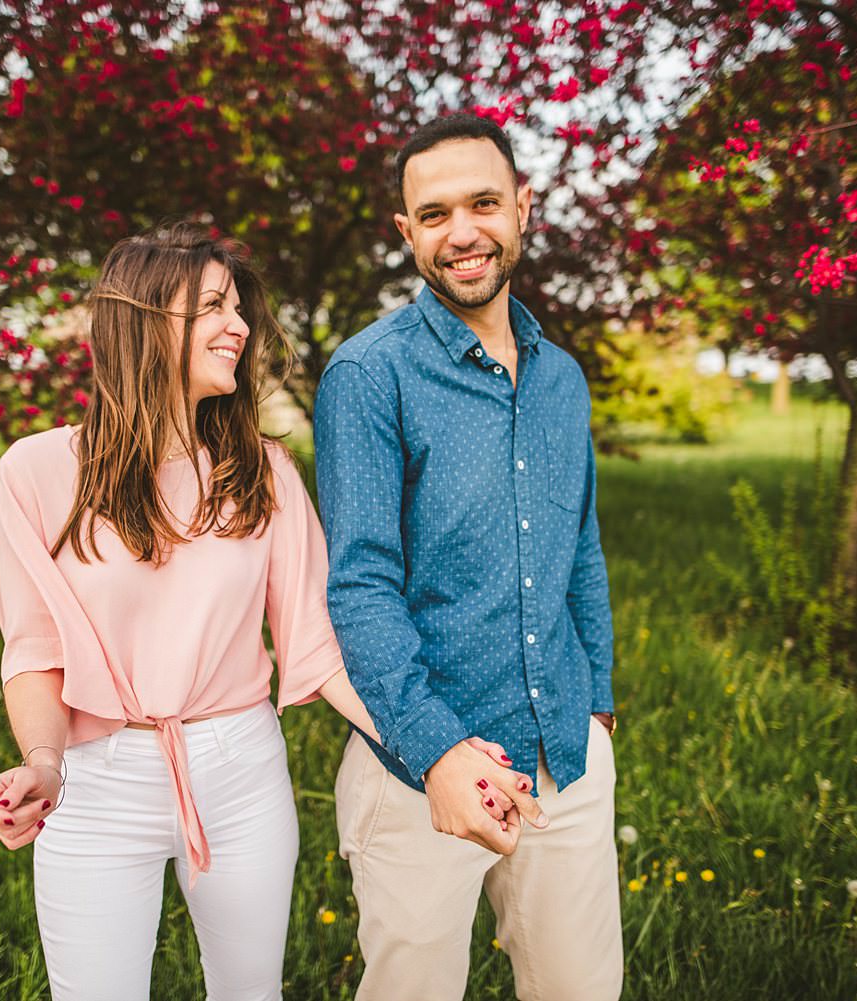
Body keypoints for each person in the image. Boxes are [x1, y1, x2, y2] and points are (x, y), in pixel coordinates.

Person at [0, 222, 508, 1001]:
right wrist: (44, 766)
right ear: (149, 320)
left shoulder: (264, 472)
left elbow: (319, 650)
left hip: (239, 772)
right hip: (95, 780)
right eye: (215, 306)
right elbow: (34, 650)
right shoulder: (37, 471)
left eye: (239, 306)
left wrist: (439, 750)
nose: (241, 327)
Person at [314, 114, 623, 1001]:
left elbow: (582, 547)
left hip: (563, 751)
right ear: (407, 233)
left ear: (522, 207)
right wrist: (438, 750)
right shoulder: (369, 376)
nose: (463, 232)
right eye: (435, 212)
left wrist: (597, 706)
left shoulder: (561, 377)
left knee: (581, 990)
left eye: (483, 203)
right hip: (421, 768)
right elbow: (361, 584)